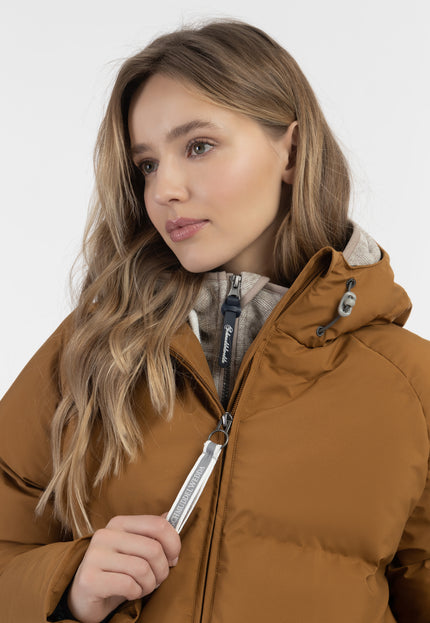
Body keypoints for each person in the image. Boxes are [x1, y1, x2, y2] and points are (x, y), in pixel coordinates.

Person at [0, 17, 429, 623]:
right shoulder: (91, 351)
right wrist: (65, 587)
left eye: (198, 146)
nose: (164, 190)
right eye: (147, 165)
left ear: (291, 150)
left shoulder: (409, 382)